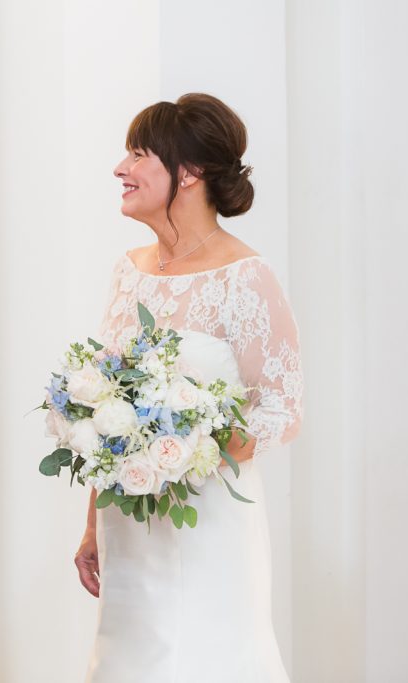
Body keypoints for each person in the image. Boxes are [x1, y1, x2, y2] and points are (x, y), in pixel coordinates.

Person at [76, 93, 303, 682]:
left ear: (190, 172)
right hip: (129, 525)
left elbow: (281, 409)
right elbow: (109, 405)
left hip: (206, 523)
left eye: (138, 154)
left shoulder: (244, 277)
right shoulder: (128, 270)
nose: (120, 169)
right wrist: (93, 520)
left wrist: (188, 458)